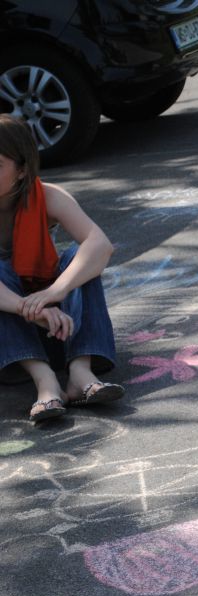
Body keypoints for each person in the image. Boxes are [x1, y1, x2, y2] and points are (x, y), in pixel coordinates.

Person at [0, 114, 123, 423]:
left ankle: (80, 372)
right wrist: (31, 308)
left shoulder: (48, 196)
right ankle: (45, 382)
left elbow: (100, 245)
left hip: (63, 325)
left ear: (22, 170)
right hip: (12, 339)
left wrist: (55, 291)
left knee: (78, 260)